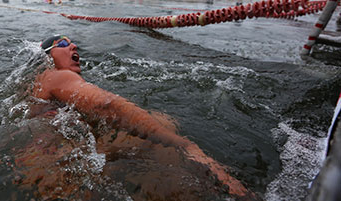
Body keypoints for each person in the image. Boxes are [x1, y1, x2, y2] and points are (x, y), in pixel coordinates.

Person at [32, 35, 255, 199]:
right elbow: (105, 106)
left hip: (47, 162)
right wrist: (183, 144)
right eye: (62, 43)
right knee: (164, 130)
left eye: (72, 42)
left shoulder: (37, 86)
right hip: (55, 168)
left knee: (157, 122)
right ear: (47, 58)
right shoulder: (56, 76)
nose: (73, 45)